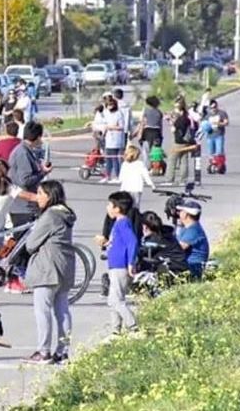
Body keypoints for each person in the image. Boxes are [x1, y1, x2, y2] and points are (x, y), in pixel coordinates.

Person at [23, 181, 75, 365]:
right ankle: (63, 351)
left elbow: (31, 244)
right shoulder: (65, 214)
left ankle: (43, 351)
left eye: (40, 193)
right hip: (65, 265)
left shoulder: (50, 216)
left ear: (50, 195)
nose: (37, 197)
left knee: (42, 310)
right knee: (62, 310)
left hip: (47, 267)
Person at [104, 192, 139, 336]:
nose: (107, 208)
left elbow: (132, 242)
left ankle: (133, 326)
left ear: (117, 208)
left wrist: (131, 262)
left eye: (109, 205)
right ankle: (115, 330)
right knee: (114, 299)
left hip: (120, 266)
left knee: (116, 300)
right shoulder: (119, 223)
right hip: (115, 266)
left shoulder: (122, 223)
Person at [7, 122, 52, 228]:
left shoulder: (26, 150)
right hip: (22, 206)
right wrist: (43, 173)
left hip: (25, 204)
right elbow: (25, 180)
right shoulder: (23, 153)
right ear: (37, 137)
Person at [175, 199, 210, 279]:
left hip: (194, 267)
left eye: (180, 211)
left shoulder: (194, 231)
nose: (178, 213)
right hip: (188, 265)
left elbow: (178, 249)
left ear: (186, 214)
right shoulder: (188, 228)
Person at [164, 102, 196, 186]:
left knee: (172, 160)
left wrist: (170, 121)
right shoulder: (188, 119)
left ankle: (169, 179)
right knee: (184, 161)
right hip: (186, 142)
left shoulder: (180, 120)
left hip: (178, 142)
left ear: (180, 110)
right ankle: (183, 180)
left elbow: (173, 129)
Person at [101, 96, 126, 183]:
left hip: (117, 139)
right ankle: (107, 176)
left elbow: (122, 127)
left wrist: (111, 127)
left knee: (115, 159)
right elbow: (105, 124)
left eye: (111, 105)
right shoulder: (107, 113)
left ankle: (118, 176)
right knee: (108, 159)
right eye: (108, 105)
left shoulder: (119, 114)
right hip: (109, 139)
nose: (109, 107)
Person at [136, 96, 164, 161]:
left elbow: (143, 123)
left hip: (147, 132)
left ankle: (147, 167)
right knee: (156, 151)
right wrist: (161, 135)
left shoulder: (146, 111)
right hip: (157, 132)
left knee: (146, 151)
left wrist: (140, 134)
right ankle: (155, 165)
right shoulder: (159, 112)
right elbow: (160, 125)